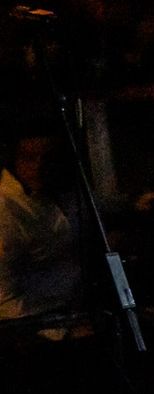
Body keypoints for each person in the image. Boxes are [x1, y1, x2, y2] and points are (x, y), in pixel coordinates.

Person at [0, 131, 81, 322]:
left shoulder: (61, 190)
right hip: (40, 321)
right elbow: (5, 300)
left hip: (77, 304)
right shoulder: (6, 211)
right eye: (28, 158)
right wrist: (59, 331)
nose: (39, 167)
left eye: (49, 159)